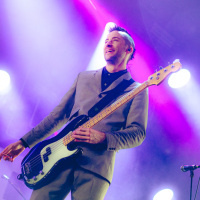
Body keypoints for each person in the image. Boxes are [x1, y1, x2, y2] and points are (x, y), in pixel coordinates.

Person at [0, 25, 148, 200]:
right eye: (106, 41)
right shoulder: (84, 78)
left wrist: (103, 138)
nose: (108, 44)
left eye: (115, 40)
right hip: (56, 160)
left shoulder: (136, 90)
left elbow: (137, 133)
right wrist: (24, 142)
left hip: (95, 167)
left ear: (128, 49)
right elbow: (57, 117)